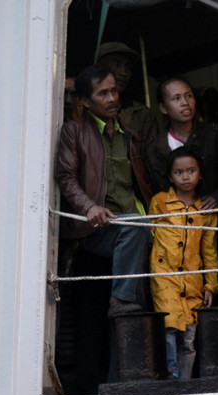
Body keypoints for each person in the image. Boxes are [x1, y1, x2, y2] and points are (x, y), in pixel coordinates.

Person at [55, 64, 154, 317]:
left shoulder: (128, 134)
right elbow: (65, 176)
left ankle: (124, 305)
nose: (112, 98)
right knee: (115, 311)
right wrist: (89, 207)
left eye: (114, 91)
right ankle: (120, 300)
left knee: (134, 320)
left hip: (136, 231)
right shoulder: (73, 132)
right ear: (86, 102)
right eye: (103, 94)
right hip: (99, 229)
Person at [148, 147, 218, 379]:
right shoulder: (159, 202)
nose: (185, 176)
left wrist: (211, 285)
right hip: (164, 278)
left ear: (200, 174)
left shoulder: (206, 210)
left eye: (191, 171)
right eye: (179, 172)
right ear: (170, 176)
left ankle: (184, 384)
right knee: (168, 330)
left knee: (188, 339)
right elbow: (149, 237)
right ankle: (172, 378)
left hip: (193, 283)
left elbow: (209, 251)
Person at [145, 77, 218, 213]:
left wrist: (217, 197)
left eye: (189, 96)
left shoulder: (213, 135)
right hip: (174, 224)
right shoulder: (155, 148)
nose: (185, 103)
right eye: (176, 98)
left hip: (215, 218)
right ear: (163, 108)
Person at [95, 41, 160, 148]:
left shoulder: (141, 114)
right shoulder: (83, 109)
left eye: (128, 67)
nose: (123, 73)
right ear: (100, 67)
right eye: (117, 64)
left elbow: (151, 159)